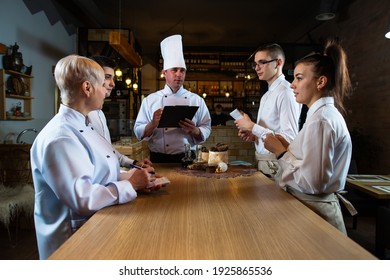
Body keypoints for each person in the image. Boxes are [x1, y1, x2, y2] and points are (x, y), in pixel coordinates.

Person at [31, 55, 158, 259]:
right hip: (72, 241)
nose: (108, 89)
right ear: (87, 88)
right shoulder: (60, 137)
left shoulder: (85, 124)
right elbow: (83, 198)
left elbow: (100, 175)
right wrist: (131, 185)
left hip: (98, 225)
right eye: (102, 83)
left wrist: (140, 178)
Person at [263, 39, 353, 234]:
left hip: (317, 214)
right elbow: (310, 165)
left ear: (320, 82)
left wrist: (279, 152)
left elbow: (313, 183)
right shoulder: (321, 116)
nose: (293, 85)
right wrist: (288, 148)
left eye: (299, 78)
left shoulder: (321, 120)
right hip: (309, 209)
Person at [134, 35, 211, 163]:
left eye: (182, 71)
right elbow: (138, 132)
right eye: (174, 70)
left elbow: (207, 127)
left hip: (188, 158)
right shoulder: (150, 100)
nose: (179, 74)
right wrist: (153, 124)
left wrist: (196, 130)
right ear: (164, 73)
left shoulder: (196, 100)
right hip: (158, 159)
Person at [234, 43, 301, 178]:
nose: (257, 68)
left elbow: (290, 138)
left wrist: (253, 127)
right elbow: (270, 132)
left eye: (262, 62)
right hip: (262, 162)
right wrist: (254, 135)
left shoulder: (285, 91)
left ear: (278, 63)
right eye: (255, 64)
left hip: (276, 163)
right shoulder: (266, 95)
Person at [87, 55, 151, 168]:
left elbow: (108, 150)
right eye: (107, 77)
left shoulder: (99, 113)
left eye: (113, 78)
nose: (113, 84)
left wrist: (133, 163)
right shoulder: (83, 116)